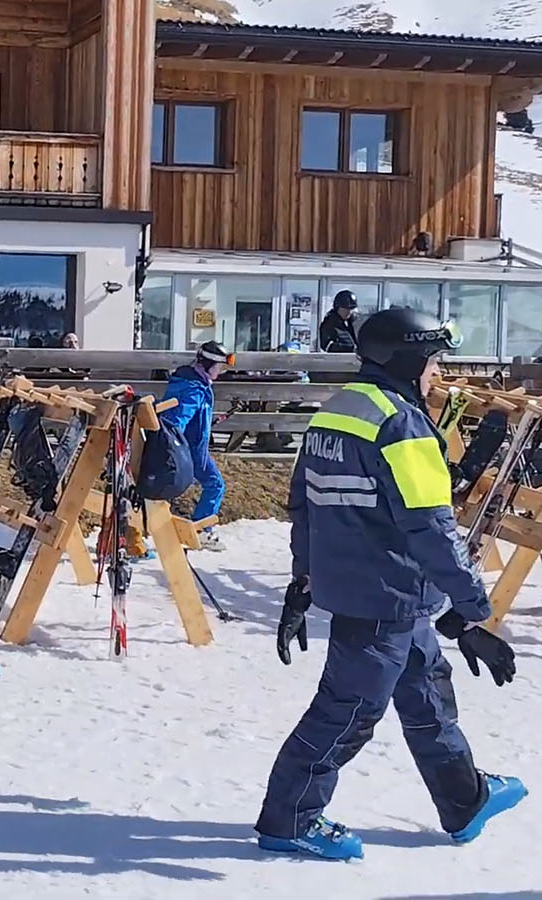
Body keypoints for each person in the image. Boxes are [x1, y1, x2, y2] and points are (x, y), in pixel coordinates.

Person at [259, 307, 525, 860]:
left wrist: (303, 579)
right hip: (382, 598)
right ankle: (290, 819)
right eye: (432, 361)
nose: (436, 373)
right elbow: (431, 527)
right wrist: (474, 610)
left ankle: (465, 799)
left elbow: (304, 504)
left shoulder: (337, 410)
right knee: (347, 712)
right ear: (407, 360)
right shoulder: (402, 425)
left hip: (385, 595)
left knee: (428, 695)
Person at [158, 341, 233, 549]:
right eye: (219, 367)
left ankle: (183, 528)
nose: (220, 372)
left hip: (187, 448)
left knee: (170, 491)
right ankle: (201, 531)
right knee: (215, 484)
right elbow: (178, 420)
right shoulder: (195, 389)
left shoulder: (186, 381)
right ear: (208, 364)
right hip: (189, 451)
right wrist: (174, 444)